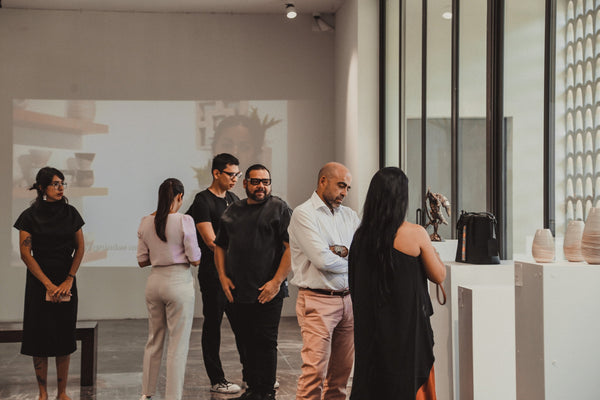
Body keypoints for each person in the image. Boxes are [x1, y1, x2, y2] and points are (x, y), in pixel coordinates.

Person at [348, 167, 446, 399]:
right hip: (407, 335)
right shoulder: (415, 233)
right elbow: (438, 276)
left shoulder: (360, 237)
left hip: (372, 335)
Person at [214, 164, 292, 400]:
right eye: (256, 181)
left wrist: (276, 282)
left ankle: (266, 392)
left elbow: (290, 248)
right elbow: (220, 245)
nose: (261, 186)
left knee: (265, 342)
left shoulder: (279, 208)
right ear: (245, 183)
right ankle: (254, 389)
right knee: (246, 342)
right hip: (238, 291)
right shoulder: (232, 211)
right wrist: (223, 277)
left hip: (268, 291)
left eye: (266, 182)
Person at [288, 162, 360, 400]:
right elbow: (323, 261)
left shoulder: (349, 216)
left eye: (347, 188)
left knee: (341, 377)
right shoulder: (303, 214)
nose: (344, 193)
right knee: (314, 374)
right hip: (317, 302)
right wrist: (351, 259)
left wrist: (339, 252)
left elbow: (363, 253)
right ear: (323, 181)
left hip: (349, 302)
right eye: (341, 186)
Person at [14, 166, 85, 400]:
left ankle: (62, 392)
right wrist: (46, 283)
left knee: (64, 335)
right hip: (38, 282)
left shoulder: (71, 212)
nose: (60, 187)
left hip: (65, 280)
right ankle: (42, 392)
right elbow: (26, 254)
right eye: (55, 183)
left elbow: (80, 248)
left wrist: (68, 279)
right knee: (39, 336)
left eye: (62, 182)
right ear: (43, 187)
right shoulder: (29, 215)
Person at [137, 178, 201, 400]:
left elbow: (142, 261)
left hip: (154, 282)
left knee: (154, 340)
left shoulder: (146, 221)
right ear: (180, 197)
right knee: (177, 344)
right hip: (178, 282)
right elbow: (195, 259)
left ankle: (146, 394)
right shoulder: (185, 220)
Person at [185, 153, 245, 394]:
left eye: (237, 175)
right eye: (231, 175)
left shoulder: (234, 198)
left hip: (236, 273)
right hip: (213, 273)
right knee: (213, 325)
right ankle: (217, 379)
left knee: (243, 324)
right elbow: (211, 241)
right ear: (216, 173)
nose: (235, 179)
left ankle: (252, 375)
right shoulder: (202, 201)